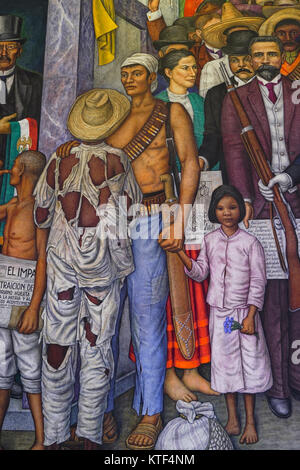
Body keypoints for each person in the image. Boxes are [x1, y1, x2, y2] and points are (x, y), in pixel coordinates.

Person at [55, 52, 200, 451]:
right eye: (125, 73)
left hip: (155, 215)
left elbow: (188, 163)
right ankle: (98, 411)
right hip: (111, 221)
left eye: (137, 72)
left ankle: (151, 411)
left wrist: (180, 219)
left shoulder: (171, 113)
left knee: (148, 317)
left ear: (153, 77)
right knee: (100, 320)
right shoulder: (111, 118)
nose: (130, 78)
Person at [34, 88, 142, 450]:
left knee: (57, 345)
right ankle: (90, 436)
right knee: (97, 348)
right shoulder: (119, 160)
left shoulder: (57, 160)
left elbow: (41, 214)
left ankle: (54, 436)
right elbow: (130, 210)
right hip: (102, 266)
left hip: (62, 262)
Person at [221, 36, 300, 418]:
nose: (265, 59)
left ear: (282, 56)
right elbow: (234, 151)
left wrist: (290, 178)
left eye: (271, 53)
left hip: (298, 202)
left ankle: (298, 378)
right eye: (258, 55)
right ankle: (279, 387)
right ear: (249, 60)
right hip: (263, 212)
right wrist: (246, 200)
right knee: (270, 301)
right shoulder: (236, 97)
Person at [177, 184, 272, 444]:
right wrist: (183, 257)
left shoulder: (250, 243)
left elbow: (258, 281)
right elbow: (200, 272)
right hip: (221, 315)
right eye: (220, 208)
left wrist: (251, 315)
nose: (226, 213)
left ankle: (250, 421)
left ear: (240, 210)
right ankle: (233, 418)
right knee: (226, 367)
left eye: (232, 207)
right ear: (214, 211)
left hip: (244, 314)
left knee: (250, 367)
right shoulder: (210, 240)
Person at [156, 48, 219, 401]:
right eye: (184, 67)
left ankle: (192, 368)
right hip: (165, 199)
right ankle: (169, 371)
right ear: (167, 72)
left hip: (198, 192)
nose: (192, 72)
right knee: (166, 285)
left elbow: (210, 139)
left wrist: (201, 161)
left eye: (194, 66)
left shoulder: (201, 101)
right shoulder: (156, 105)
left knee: (194, 279)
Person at [0, 150, 47, 450]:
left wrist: (33, 308)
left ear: (26, 173)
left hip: (24, 296)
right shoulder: (14, 204)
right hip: (4, 291)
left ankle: (41, 440)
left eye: (14, 168)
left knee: (30, 368)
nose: (10, 172)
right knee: (1, 367)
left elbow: (43, 259)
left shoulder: (37, 210)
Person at [199, 29, 257, 181]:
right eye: (235, 60)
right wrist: (203, 160)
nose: (241, 65)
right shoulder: (216, 94)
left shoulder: (270, 88)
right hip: (232, 171)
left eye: (247, 59)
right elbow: (213, 136)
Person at [0, 15, 43, 164]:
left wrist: (11, 128)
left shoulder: (36, 82)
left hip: (20, 162)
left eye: (10, 47)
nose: (3, 53)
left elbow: (43, 124)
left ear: (19, 51)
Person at [199, 2, 264, 96]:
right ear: (225, 39)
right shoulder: (213, 67)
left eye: (243, 34)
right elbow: (209, 101)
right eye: (234, 35)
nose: (240, 38)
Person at [259, 7, 300, 80]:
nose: (288, 38)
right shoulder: (266, 60)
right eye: (281, 34)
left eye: (294, 33)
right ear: (274, 35)